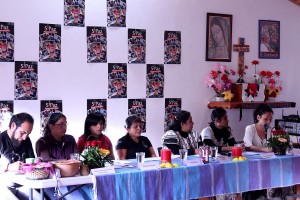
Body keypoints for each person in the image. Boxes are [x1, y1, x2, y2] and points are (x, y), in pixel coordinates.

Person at [36, 113, 92, 200]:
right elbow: (46, 162)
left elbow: (76, 158)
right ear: (51, 126)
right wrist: (68, 162)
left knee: (91, 193)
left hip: (73, 178)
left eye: (66, 124)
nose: (65, 127)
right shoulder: (42, 142)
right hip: (54, 183)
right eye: (61, 124)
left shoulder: (70, 139)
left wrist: (69, 162)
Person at [0, 112, 40, 199]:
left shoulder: (26, 140)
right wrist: (8, 167)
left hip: (24, 184)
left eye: (28, 134)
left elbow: (31, 160)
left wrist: (36, 162)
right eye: (22, 133)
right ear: (13, 125)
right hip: (3, 186)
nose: (25, 137)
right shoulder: (1, 140)